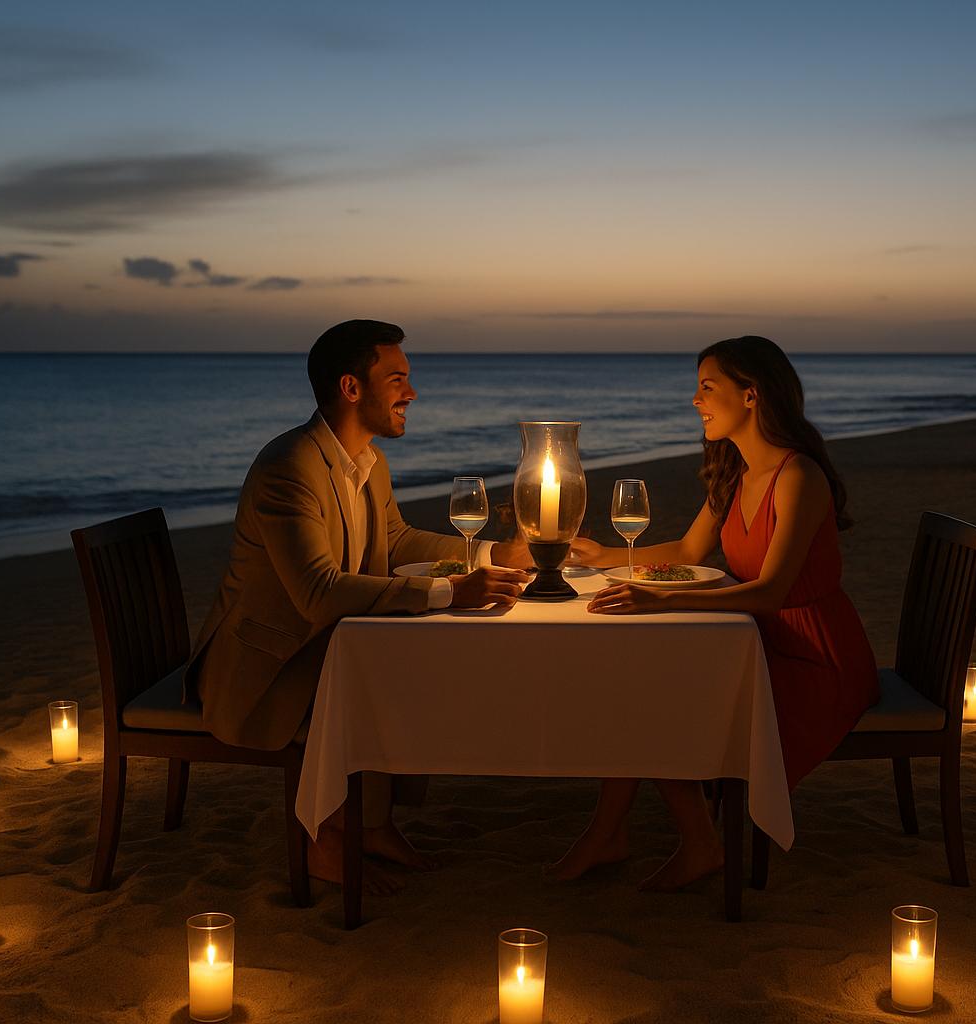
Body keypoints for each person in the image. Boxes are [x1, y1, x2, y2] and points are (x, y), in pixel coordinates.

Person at [186, 319, 534, 894]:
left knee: (410, 664)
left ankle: (371, 824)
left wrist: (496, 552)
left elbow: (396, 543)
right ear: (352, 389)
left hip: (322, 643)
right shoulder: (288, 468)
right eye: (397, 379)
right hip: (266, 668)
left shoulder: (366, 462)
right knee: (385, 672)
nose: (412, 393)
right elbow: (318, 592)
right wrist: (451, 591)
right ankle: (324, 839)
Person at [554, 335, 880, 891]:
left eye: (708, 387)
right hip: (755, 638)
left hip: (813, 657)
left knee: (661, 704)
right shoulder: (735, 471)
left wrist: (664, 598)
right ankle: (618, 834)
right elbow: (685, 553)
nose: (695, 400)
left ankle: (683, 842)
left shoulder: (798, 477)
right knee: (641, 687)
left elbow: (771, 592)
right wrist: (603, 555)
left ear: (751, 396)